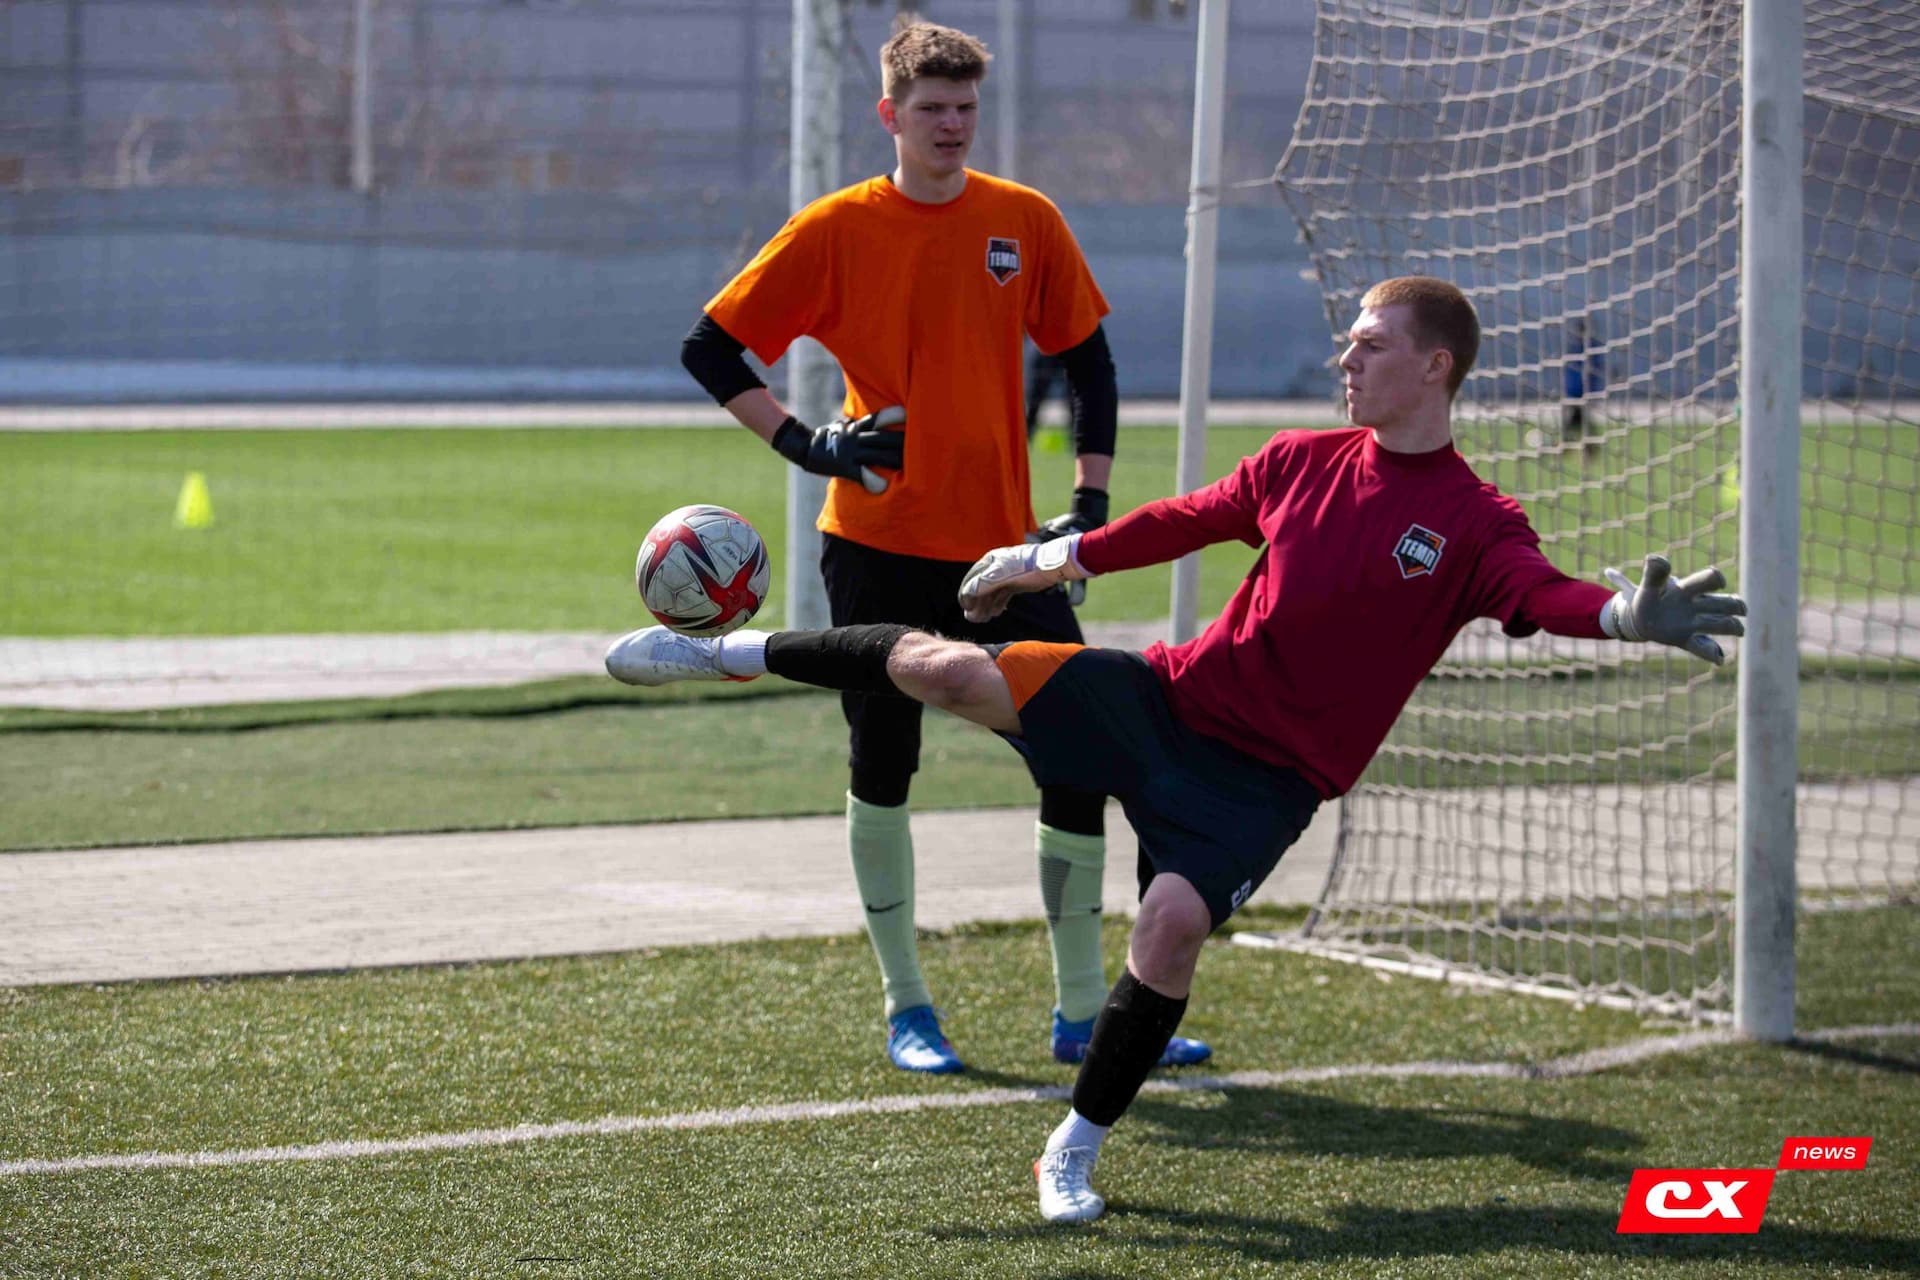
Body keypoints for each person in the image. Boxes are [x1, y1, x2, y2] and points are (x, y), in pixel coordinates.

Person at [614, 275, 1747, 1222]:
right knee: (944, 668)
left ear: (1436, 366)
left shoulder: (1476, 520)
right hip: (1167, 699)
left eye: (1370, 343)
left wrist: (1621, 616)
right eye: (1349, 340)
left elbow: (1540, 592)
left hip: (1265, 784)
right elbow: (1188, 517)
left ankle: (1071, 1148)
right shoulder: (1304, 457)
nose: (1346, 357)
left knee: (1170, 925)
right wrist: (1043, 560)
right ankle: (732, 652)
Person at [672, 20, 1209, 1076]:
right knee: (884, 763)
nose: (953, 126)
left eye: (966, 108)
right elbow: (709, 346)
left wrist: (1085, 504)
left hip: (1008, 557)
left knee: (1079, 758)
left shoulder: (1024, 219)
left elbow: (1090, 362)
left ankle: (1077, 1013)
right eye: (932, 110)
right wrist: (807, 442)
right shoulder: (834, 228)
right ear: (891, 117)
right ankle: (907, 1006)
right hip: (874, 547)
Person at [1562, 316, 1604, 454]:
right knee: (1579, 419)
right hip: (1575, 391)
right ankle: (1587, 448)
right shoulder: (1574, 349)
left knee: (1578, 419)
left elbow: (1595, 370)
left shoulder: (1591, 349)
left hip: (1585, 391)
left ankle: (1574, 446)